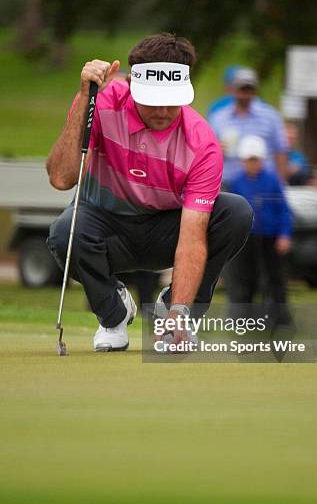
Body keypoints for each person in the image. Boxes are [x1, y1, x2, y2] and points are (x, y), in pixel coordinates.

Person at [46, 33, 253, 351]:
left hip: (165, 229)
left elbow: (193, 238)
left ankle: (175, 314)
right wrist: (83, 99)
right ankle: (113, 315)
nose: (162, 111)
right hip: (103, 221)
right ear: (130, 84)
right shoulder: (101, 100)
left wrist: (179, 311)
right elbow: (61, 178)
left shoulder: (201, 143)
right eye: (152, 100)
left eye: (172, 101)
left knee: (235, 212)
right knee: (64, 233)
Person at [224, 135, 293, 327]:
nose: (253, 164)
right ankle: (242, 319)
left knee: (274, 279)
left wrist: (284, 234)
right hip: (246, 239)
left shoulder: (272, 181)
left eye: (256, 160)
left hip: (270, 238)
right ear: (243, 161)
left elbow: (284, 210)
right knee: (244, 279)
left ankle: (278, 319)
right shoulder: (236, 182)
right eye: (249, 160)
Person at [207, 67, 288, 185]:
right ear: (233, 90)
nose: (245, 93)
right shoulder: (218, 118)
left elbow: (280, 151)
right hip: (229, 183)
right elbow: (208, 153)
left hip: (262, 183)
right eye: (241, 89)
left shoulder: (271, 116)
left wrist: (281, 183)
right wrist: (218, 150)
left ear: (255, 90)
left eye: (249, 89)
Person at [285, 121, 310, 185]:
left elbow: (305, 173)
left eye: (294, 138)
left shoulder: (298, 156)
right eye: (289, 137)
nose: (291, 139)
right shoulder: (273, 155)